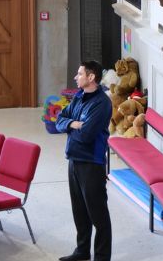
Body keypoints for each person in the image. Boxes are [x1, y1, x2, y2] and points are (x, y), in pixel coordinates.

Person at [56, 60, 113, 261]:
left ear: (91, 77)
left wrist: (74, 129)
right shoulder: (79, 97)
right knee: (79, 210)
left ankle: (102, 256)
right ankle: (82, 251)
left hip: (91, 163)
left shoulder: (102, 103)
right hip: (74, 160)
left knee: (98, 214)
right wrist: (73, 124)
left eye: (79, 74)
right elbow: (59, 120)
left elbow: (87, 135)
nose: (75, 77)